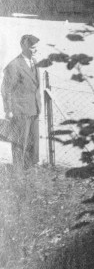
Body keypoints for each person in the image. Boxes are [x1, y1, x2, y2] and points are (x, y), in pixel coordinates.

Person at [1, 34, 41, 169]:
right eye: (32, 47)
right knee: (20, 142)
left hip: (34, 108)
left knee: (32, 142)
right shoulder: (14, 65)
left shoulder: (35, 62)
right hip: (20, 110)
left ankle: (29, 169)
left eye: (36, 48)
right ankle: (18, 172)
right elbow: (6, 89)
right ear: (24, 46)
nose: (35, 50)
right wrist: (8, 110)